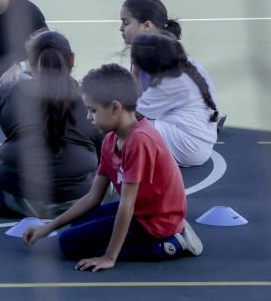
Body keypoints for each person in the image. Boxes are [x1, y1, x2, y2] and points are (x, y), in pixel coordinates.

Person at [23, 64, 203, 271]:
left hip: (155, 220)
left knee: (69, 243)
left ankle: (169, 244)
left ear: (116, 108)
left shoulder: (139, 140)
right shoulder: (110, 140)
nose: (89, 117)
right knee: (78, 223)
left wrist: (109, 257)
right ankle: (157, 236)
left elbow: (127, 205)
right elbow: (93, 197)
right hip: (141, 211)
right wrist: (48, 227)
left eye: (93, 110)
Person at [0, 31, 102, 218]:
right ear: (72, 59)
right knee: (109, 180)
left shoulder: (9, 92)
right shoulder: (91, 99)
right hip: (78, 202)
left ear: (30, 64)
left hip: (14, 198)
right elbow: (108, 153)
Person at [119, 0, 226, 132]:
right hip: (196, 117)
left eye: (126, 22)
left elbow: (136, 112)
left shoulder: (158, 58)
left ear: (147, 26)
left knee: (117, 124)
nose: (121, 28)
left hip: (185, 132)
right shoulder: (163, 47)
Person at [130, 34, 220, 167]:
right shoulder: (187, 64)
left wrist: (135, 73)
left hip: (188, 146)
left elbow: (133, 114)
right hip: (202, 138)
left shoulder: (168, 83)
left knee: (126, 128)